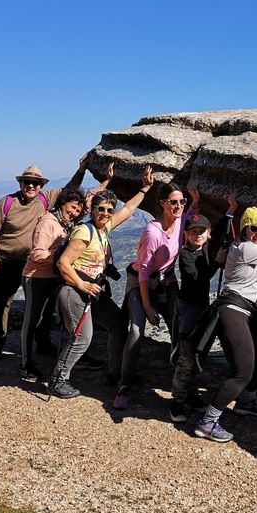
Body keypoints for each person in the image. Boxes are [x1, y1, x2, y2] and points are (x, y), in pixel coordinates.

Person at [0, 155, 106, 361]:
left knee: (44, 307)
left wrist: (82, 170)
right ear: (21, 183)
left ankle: (42, 344)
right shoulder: (7, 203)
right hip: (8, 261)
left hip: (36, 263)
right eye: (27, 182)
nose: (31, 186)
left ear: (41, 186)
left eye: (35, 183)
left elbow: (70, 191)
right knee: (1, 303)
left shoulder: (45, 199)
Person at [49, 166, 155, 400]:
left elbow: (127, 209)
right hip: (75, 291)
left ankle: (113, 372)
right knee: (82, 338)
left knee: (117, 324)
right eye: (101, 209)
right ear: (93, 210)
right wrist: (82, 285)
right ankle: (58, 380)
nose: (106, 213)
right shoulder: (84, 232)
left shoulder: (103, 228)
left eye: (109, 209)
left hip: (94, 291)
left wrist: (144, 189)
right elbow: (64, 264)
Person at [193, 202, 257, 443]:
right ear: (244, 230)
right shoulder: (245, 248)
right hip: (233, 310)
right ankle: (208, 422)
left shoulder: (245, 246)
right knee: (241, 373)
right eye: (253, 228)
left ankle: (245, 402)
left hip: (242, 312)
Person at [111, 181, 194, 410]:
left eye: (181, 202)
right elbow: (144, 272)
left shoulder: (181, 221)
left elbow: (195, 218)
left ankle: (182, 384)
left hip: (166, 281)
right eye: (173, 202)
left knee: (179, 328)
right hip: (141, 282)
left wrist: (198, 200)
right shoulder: (152, 232)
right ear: (162, 203)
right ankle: (124, 385)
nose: (178, 206)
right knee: (136, 331)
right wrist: (148, 307)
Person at [168, 193, 234, 423]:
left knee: (199, 353)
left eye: (201, 232)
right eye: (193, 231)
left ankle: (191, 394)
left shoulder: (205, 247)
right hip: (188, 308)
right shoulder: (186, 255)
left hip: (200, 307)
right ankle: (177, 400)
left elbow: (216, 238)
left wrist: (229, 213)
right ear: (186, 235)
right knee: (186, 352)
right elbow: (199, 279)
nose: (198, 235)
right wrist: (217, 262)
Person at [18, 185, 87, 382]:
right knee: (31, 320)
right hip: (36, 277)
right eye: (72, 207)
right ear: (63, 203)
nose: (73, 213)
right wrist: (61, 257)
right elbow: (37, 253)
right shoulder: (48, 223)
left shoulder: (64, 223)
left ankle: (43, 347)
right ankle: (26, 364)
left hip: (52, 277)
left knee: (47, 316)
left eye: (77, 211)